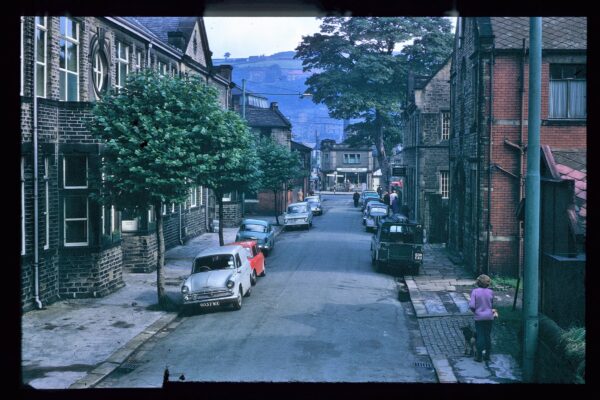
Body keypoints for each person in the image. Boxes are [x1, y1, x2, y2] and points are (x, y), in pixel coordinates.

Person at [468, 274, 496, 362]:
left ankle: (479, 356)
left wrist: (475, 311)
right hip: (489, 317)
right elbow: (491, 304)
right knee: (487, 335)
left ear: (478, 282)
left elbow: (472, 305)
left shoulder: (475, 292)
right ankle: (487, 355)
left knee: (480, 336)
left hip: (479, 317)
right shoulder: (491, 292)